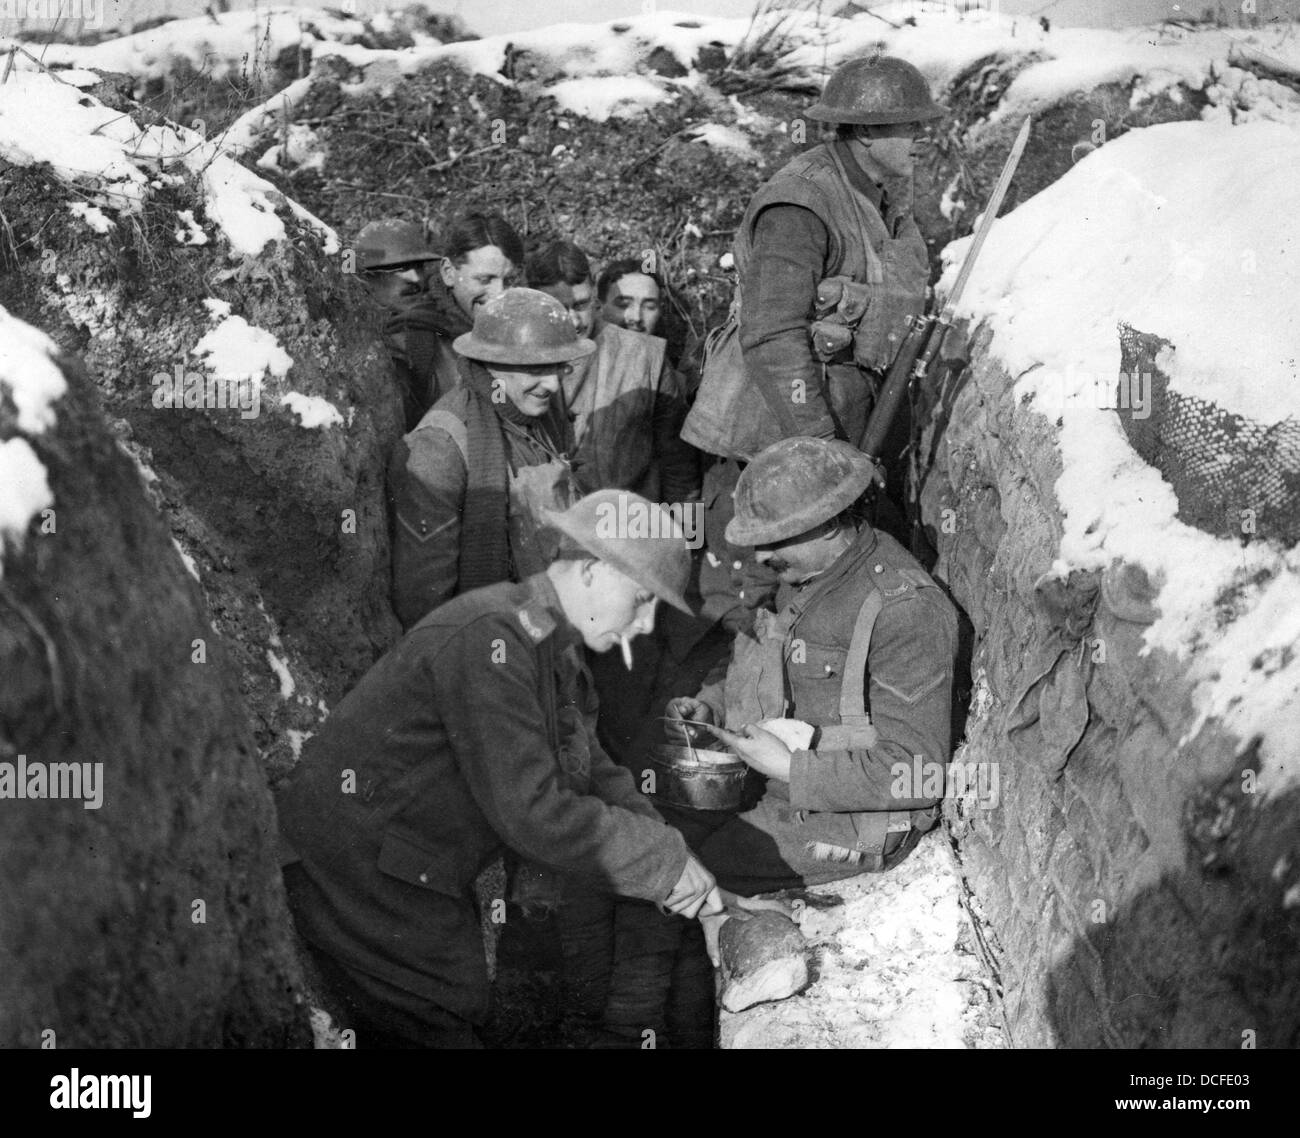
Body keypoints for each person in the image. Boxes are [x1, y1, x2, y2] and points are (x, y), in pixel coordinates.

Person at [277, 491, 724, 1048]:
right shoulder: (493, 638)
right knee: (438, 1023)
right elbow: (533, 811)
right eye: (640, 599)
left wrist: (667, 847)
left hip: (407, 868)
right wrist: (660, 861)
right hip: (354, 872)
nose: (644, 623)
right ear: (590, 569)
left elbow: (589, 764)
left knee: (458, 1007)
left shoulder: (543, 639)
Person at [682, 54, 942, 620]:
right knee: (745, 609)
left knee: (814, 600)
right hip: (774, 445)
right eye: (911, 125)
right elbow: (772, 335)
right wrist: (821, 452)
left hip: (835, 433)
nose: (923, 137)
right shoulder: (801, 203)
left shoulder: (884, 193)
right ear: (869, 133)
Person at [664, 436, 959, 893]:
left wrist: (789, 768)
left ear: (827, 525)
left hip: (845, 821)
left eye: (775, 540)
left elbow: (918, 773)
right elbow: (771, 669)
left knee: (676, 873)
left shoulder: (903, 610)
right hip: (774, 784)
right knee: (644, 830)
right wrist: (715, 707)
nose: (761, 558)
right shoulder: (808, 575)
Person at [387, 287, 591, 631]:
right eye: (537, 369)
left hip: (553, 630)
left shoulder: (541, 416)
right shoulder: (441, 447)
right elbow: (425, 606)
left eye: (560, 368)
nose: (553, 386)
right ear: (490, 363)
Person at [527, 240, 698, 507]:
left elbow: (680, 467)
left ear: (594, 291)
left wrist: (692, 541)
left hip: (627, 533)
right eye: (558, 308)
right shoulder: (511, 361)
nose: (574, 320)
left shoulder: (648, 358)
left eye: (581, 304)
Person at [385, 212, 525, 431]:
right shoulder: (413, 343)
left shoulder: (528, 332)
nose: (499, 294)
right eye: (484, 280)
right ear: (449, 273)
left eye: (509, 280)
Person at [356, 218, 443, 432]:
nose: (415, 278)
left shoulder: (445, 326)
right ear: (366, 277)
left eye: (418, 267)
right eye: (400, 268)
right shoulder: (356, 343)